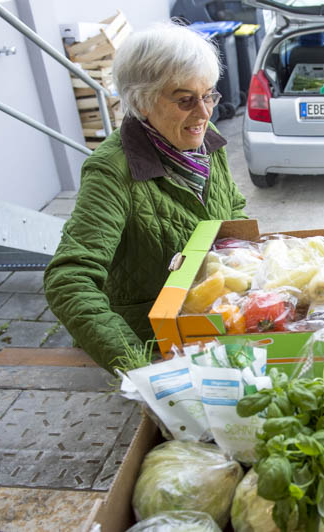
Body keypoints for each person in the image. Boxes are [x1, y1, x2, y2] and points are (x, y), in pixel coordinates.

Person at [44, 23, 247, 372]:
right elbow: (69, 279)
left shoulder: (205, 138)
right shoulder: (111, 171)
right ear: (142, 101)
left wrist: (246, 265)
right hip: (152, 344)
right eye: (185, 100)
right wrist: (138, 367)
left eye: (209, 94)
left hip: (210, 324)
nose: (204, 113)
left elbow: (234, 207)